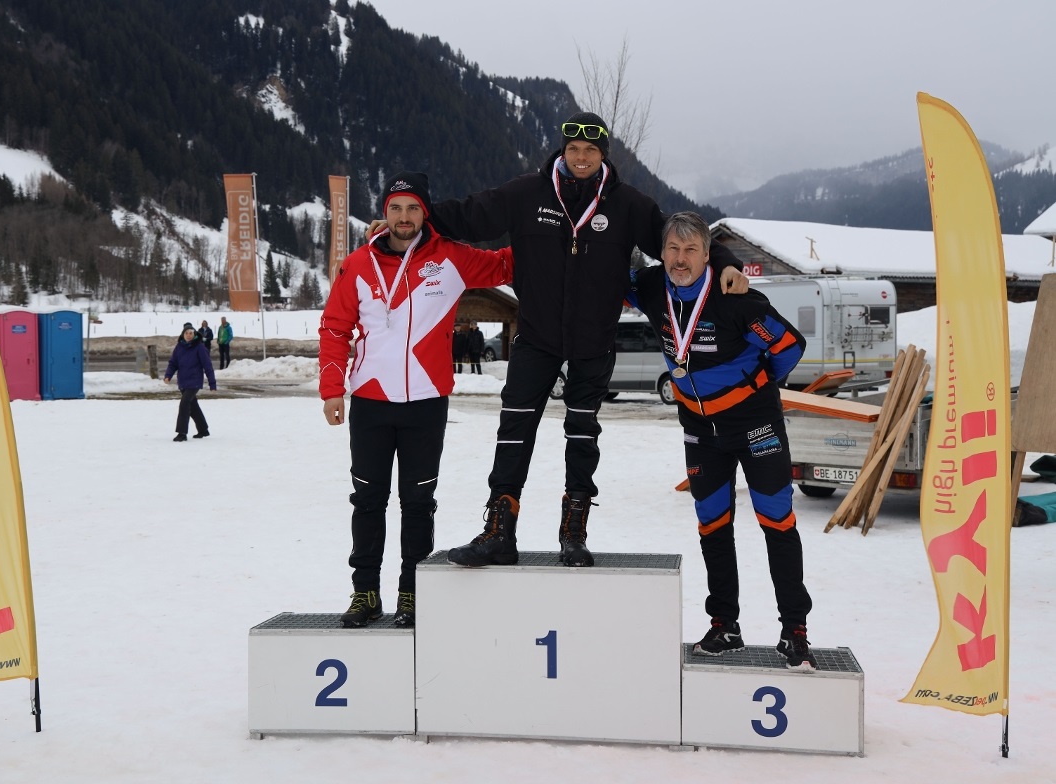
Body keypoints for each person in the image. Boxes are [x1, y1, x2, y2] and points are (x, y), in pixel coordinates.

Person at [421, 111, 749, 568]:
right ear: (562, 150)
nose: (581, 157)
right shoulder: (526, 193)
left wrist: (727, 261)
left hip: (594, 341)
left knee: (582, 435)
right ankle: (499, 531)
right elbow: (468, 215)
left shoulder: (627, 205)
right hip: (536, 337)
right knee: (514, 431)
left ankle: (573, 532)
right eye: (573, 149)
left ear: (603, 155)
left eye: (590, 150)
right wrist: (413, 219)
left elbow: (677, 238)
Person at [319, 171, 514, 629]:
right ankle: (365, 593)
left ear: (425, 213)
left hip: (426, 402)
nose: (403, 217)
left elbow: (505, 265)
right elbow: (334, 328)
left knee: (419, 503)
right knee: (368, 501)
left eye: (412, 208)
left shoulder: (451, 258)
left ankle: (413, 592)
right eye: (395, 208)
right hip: (370, 403)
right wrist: (332, 390)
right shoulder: (357, 264)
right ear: (384, 213)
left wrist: (548, 230)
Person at [626, 211, 816, 670]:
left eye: (691, 250)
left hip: (756, 427)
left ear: (708, 255)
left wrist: (755, 388)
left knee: (777, 522)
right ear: (661, 252)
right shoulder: (651, 288)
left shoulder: (737, 299)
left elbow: (789, 346)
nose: (680, 259)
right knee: (712, 525)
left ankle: (795, 630)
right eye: (673, 249)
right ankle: (724, 625)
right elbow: (605, 275)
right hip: (700, 431)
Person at [163, 323, 217, 442]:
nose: (188, 335)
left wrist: (212, 383)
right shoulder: (179, 347)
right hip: (183, 381)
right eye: (186, 333)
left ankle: (182, 433)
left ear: (194, 334)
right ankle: (203, 429)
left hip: (194, 381)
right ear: (183, 335)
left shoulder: (199, 347)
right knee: (193, 406)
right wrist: (168, 375)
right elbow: (173, 363)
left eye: (191, 333)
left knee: (184, 403)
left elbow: (207, 366)